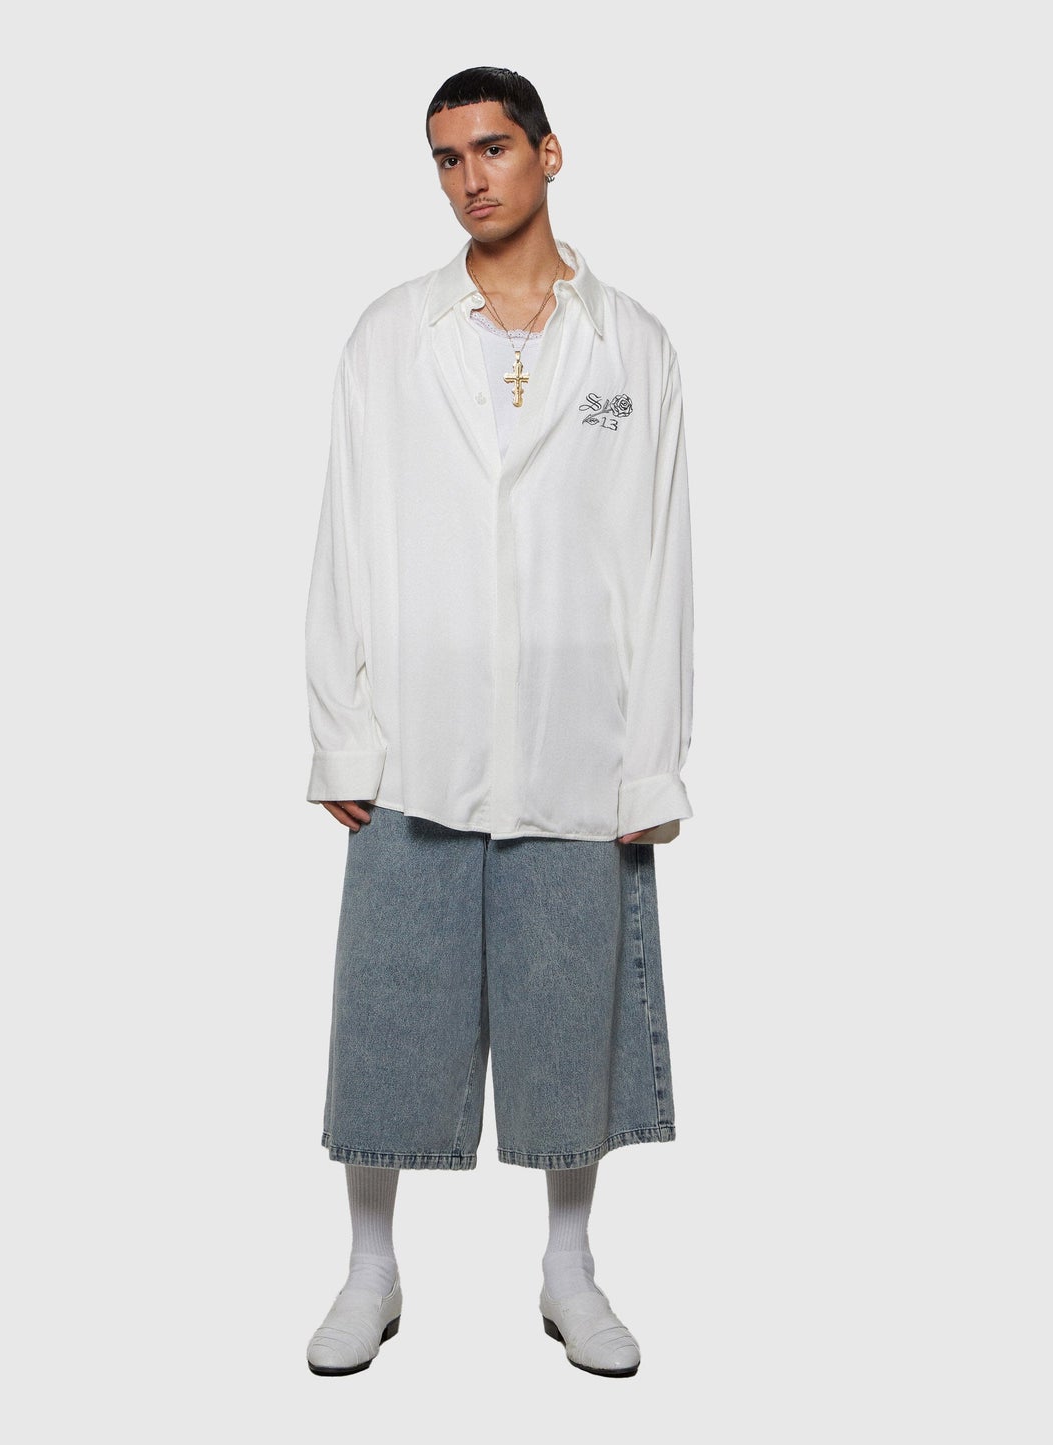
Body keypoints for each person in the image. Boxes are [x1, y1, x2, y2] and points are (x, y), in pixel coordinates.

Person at [301, 65, 695, 1379]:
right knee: (387, 1011)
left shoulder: (631, 345)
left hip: (581, 742)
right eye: (446, 158)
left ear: (547, 154)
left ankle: (568, 1267)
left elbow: (660, 562)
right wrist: (341, 729)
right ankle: (369, 1268)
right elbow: (345, 538)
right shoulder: (390, 336)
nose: (469, 178)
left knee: (569, 1014)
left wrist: (651, 761)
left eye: (491, 149)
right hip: (417, 737)